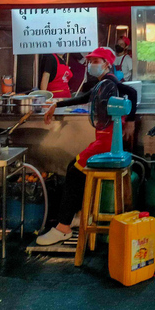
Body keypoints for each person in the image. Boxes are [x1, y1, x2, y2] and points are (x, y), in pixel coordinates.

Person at [36, 47, 137, 246]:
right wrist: (57, 105)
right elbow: (84, 97)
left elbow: (132, 92)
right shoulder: (103, 83)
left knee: (74, 172)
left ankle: (62, 228)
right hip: (103, 137)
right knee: (73, 165)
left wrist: (131, 121)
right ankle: (76, 214)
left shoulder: (110, 81)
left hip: (108, 141)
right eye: (90, 61)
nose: (91, 65)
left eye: (95, 61)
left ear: (107, 64)